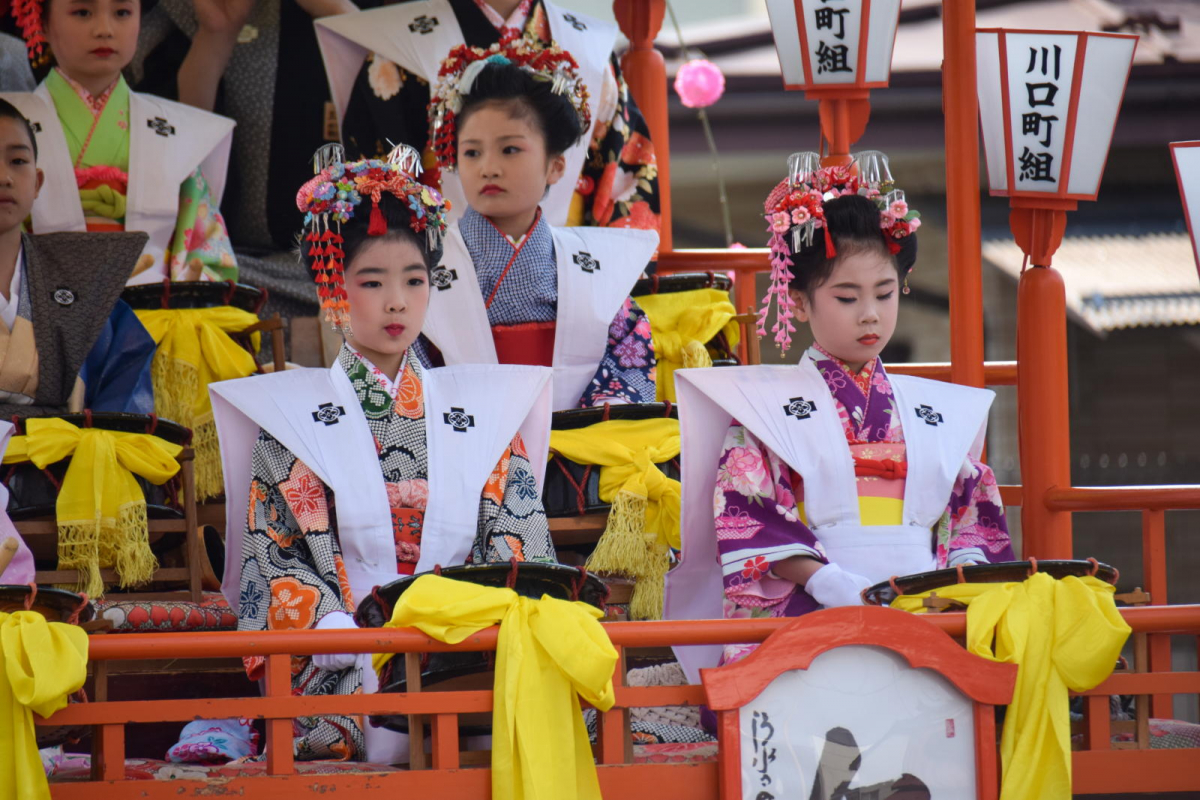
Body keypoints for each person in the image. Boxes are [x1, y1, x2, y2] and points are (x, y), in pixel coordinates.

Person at [211, 146, 557, 764]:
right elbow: (279, 558)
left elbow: (515, 538)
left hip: (463, 651)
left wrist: (471, 627)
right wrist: (335, 631)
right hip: (344, 658)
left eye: (414, 280)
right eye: (372, 282)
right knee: (354, 728)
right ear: (333, 288)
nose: (397, 301)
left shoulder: (480, 411)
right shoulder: (290, 422)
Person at [664, 153, 1015, 678]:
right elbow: (751, 522)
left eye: (885, 293)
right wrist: (829, 584)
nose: (870, 313)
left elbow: (971, 522)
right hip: (811, 605)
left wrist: (949, 588)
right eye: (846, 296)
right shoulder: (765, 415)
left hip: (928, 607)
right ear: (800, 302)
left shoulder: (933, 412)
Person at [418, 36, 658, 411]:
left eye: (509, 149)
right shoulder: (425, 259)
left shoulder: (594, 263)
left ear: (555, 166)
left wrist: (598, 416)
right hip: (464, 435)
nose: (488, 167)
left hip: (575, 441)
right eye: (472, 152)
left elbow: (628, 347)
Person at [315, 0, 660, 230]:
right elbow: (374, 190)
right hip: (433, 290)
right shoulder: (397, 52)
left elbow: (625, 179)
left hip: (567, 287)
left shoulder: (589, 47)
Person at [131, 0, 363, 315]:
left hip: (348, 264)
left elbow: (401, 103)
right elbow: (178, 156)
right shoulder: (173, 18)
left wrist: (338, 13)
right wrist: (215, 37)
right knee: (187, 288)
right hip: (232, 260)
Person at [3, 0, 237, 283]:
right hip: (36, 301)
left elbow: (205, 244)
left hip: (153, 307)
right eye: (83, 12)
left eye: (122, 13)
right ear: (42, 25)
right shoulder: (9, 123)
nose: (105, 30)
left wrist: (194, 285)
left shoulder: (175, 130)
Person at [0, 98, 154, 418]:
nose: (5, 177)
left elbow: (123, 373)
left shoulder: (82, 276)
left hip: (64, 458)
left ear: (37, 182)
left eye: (17, 161)